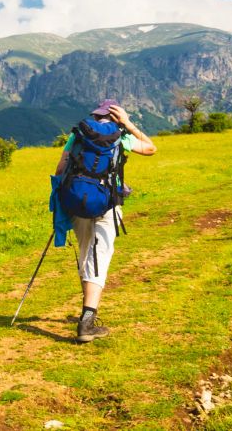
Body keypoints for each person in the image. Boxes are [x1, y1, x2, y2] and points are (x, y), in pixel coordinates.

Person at [54, 100, 157, 343]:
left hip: (77, 200)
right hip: (107, 202)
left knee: (85, 253)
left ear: (95, 116)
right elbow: (152, 148)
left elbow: (60, 169)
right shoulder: (119, 137)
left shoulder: (78, 134)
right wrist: (128, 124)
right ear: (115, 117)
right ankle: (87, 320)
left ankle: (87, 311)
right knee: (99, 256)